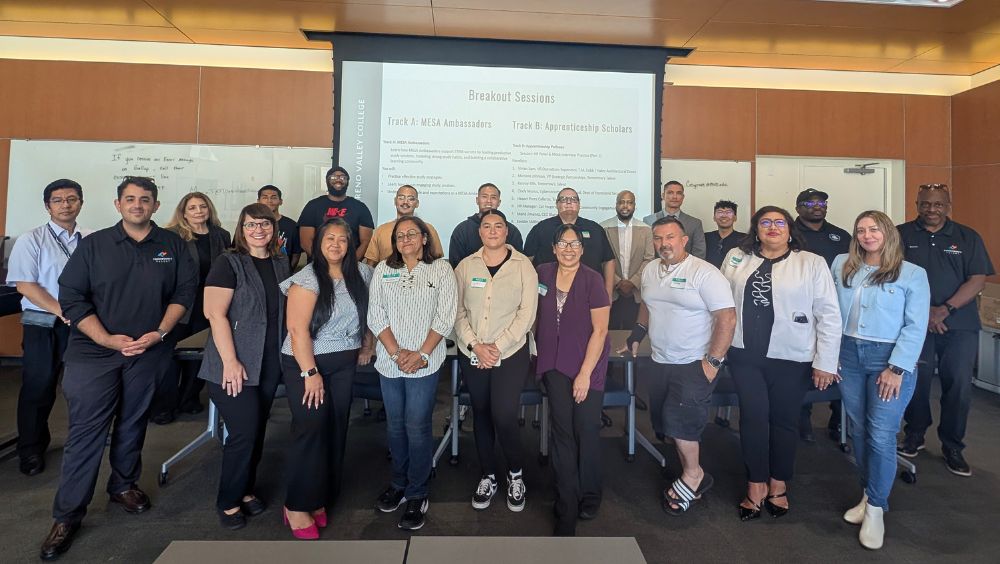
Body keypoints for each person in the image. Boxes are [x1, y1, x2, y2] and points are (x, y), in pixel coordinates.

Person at [40, 176, 197, 561]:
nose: (138, 205)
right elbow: (72, 299)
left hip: (148, 350)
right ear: (117, 204)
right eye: (130, 199)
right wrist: (107, 339)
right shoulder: (94, 246)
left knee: (133, 422)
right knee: (87, 433)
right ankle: (67, 515)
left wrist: (160, 333)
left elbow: (183, 294)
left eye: (145, 200)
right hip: (94, 352)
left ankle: (123, 485)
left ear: (156, 206)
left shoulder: (173, 245)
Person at [719, 206, 841, 522]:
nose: (772, 227)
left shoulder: (811, 263)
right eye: (765, 222)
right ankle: (756, 482)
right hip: (745, 354)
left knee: (784, 421)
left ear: (789, 228)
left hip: (792, 355)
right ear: (755, 228)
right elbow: (719, 303)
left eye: (779, 222)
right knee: (753, 418)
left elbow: (828, 313)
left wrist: (826, 361)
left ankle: (779, 481)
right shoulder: (736, 256)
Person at [623, 217, 736, 515]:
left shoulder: (704, 273)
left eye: (670, 237)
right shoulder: (650, 269)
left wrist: (712, 361)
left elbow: (727, 317)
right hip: (660, 360)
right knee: (665, 423)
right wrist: (637, 334)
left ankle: (693, 475)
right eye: (658, 238)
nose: (664, 244)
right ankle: (687, 466)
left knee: (682, 424)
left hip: (693, 363)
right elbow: (647, 302)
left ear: (684, 240)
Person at [833, 210, 930, 550]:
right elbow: (829, 311)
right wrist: (830, 355)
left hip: (888, 359)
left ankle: (876, 508)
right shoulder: (843, 264)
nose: (867, 235)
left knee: (881, 432)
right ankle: (868, 494)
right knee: (859, 429)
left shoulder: (912, 274)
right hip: (848, 354)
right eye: (861, 230)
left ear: (887, 233)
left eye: (874, 229)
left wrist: (897, 367)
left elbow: (915, 326)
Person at [197, 203, 289, 531]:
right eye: (251, 224)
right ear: (242, 228)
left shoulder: (280, 263)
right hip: (232, 366)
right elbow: (215, 313)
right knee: (244, 432)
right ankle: (229, 501)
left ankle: (247, 488)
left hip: (267, 364)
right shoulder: (229, 262)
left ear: (274, 228)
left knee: (257, 430)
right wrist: (231, 362)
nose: (258, 230)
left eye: (264, 224)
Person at [281, 218, 374, 538]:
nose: (336, 244)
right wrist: (310, 373)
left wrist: (366, 344)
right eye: (329, 238)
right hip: (305, 364)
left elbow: (371, 313)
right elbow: (296, 330)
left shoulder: (362, 274)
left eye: (343, 239)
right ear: (318, 243)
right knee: (311, 427)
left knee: (335, 427)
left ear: (351, 245)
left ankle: (317, 496)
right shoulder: (306, 279)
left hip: (344, 364)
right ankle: (295, 505)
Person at [897, 184, 994, 477]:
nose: (931, 210)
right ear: (917, 203)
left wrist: (944, 309)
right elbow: (891, 273)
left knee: (959, 386)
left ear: (948, 205)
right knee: (915, 382)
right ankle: (914, 436)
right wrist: (924, 311)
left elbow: (977, 279)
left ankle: (953, 446)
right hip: (915, 323)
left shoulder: (967, 236)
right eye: (925, 204)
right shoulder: (901, 234)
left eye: (938, 205)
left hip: (959, 325)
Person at [368, 216, 457, 531]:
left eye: (412, 234)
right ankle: (399, 483)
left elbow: (445, 316)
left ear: (424, 238)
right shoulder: (383, 270)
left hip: (425, 362)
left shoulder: (441, 269)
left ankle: (418, 492)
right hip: (390, 362)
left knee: (417, 425)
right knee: (395, 426)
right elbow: (375, 314)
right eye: (399, 235)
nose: (405, 239)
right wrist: (396, 353)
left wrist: (419, 354)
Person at [454, 209, 538, 512]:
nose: (492, 231)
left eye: (498, 226)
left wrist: (496, 347)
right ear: (480, 233)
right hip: (472, 353)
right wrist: (476, 345)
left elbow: (526, 315)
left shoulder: (523, 266)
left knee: (504, 414)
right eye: (486, 226)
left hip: (511, 353)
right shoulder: (465, 266)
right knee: (482, 413)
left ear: (507, 231)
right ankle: (488, 474)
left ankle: (515, 473)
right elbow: (457, 312)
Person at [6, 179, 90, 476]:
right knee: (39, 387)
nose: (65, 205)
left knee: (83, 386)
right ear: (47, 206)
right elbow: (26, 285)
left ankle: (85, 442)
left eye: (72, 199)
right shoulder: (31, 240)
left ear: (81, 202)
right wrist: (63, 310)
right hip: (43, 324)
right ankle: (30, 449)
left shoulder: (91, 239)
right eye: (58, 200)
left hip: (82, 325)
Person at [535, 224, 610, 536]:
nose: (568, 249)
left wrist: (583, 374)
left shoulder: (593, 279)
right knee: (562, 433)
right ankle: (566, 504)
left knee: (587, 430)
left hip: (587, 366)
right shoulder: (541, 273)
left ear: (582, 248)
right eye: (562, 244)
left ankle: (590, 494)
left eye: (574, 244)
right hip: (553, 365)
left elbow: (601, 331)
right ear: (554, 248)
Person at [150, 191, 231, 425]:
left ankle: (189, 398)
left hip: (210, 304)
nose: (198, 212)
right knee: (169, 358)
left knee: (200, 357)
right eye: (192, 208)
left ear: (209, 209)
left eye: (202, 207)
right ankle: (164, 405)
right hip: (180, 304)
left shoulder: (222, 235)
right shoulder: (172, 236)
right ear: (183, 212)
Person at [794, 188, 851, 442]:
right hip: (799, 314)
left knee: (841, 369)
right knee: (799, 370)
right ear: (798, 208)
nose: (817, 206)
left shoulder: (841, 236)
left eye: (821, 202)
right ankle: (800, 420)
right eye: (810, 202)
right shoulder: (789, 234)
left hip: (836, 314)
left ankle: (839, 422)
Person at [524, 187, 616, 300]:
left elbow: (608, 260)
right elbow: (527, 261)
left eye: (573, 199)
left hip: (589, 293)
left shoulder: (595, 229)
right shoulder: (541, 229)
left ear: (579, 204)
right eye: (563, 199)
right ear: (556, 204)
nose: (568, 202)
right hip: (548, 294)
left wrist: (608, 294)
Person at [600, 190, 654, 329]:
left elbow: (649, 259)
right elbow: (601, 259)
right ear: (616, 205)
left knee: (633, 333)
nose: (625, 206)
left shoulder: (646, 230)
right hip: (611, 292)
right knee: (609, 331)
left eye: (629, 202)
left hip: (636, 293)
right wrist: (618, 282)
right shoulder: (603, 228)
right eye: (622, 202)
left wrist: (632, 282)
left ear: (634, 206)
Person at [298, 166, 374, 260]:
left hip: (350, 268)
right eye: (333, 177)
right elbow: (305, 242)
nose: (338, 180)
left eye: (342, 177)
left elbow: (366, 242)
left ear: (347, 182)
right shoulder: (313, 206)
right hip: (317, 266)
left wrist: (351, 264)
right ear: (327, 181)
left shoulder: (360, 207)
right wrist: (322, 263)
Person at [364, 185, 443, 266]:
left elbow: (437, 261)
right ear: (395, 201)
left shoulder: (428, 229)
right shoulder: (381, 230)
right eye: (401, 198)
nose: (405, 202)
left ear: (417, 203)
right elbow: (371, 264)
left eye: (411, 199)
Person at [449, 183, 524, 267]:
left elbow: (518, 263)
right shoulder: (462, 230)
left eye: (493, 197)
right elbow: (456, 266)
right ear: (477, 200)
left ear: (499, 202)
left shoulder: (512, 231)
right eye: (484, 196)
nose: (489, 201)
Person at [642, 181, 706, 259]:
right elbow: (645, 252)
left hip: (686, 270)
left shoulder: (695, 223)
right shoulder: (648, 221)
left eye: (678, 193)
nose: (674, 197)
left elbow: (699, 255)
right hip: (656, 268)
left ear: (683, 197)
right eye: (670, 193)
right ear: (663, 196)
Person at [258, 184, 302, 268]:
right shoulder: (250, 224)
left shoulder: (291, 225)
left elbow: (296, 254)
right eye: (265, 197)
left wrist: (288, 273)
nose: (269, 201)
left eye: (274, 197)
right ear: (258, 201)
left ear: (280, 201)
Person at [704, 200, 745, 269]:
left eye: (728, 212)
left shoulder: (745, 239)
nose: (724, 216)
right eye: (720, 212)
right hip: (707, 277)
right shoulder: (704, 237)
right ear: (714, 217)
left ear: (735, 217)